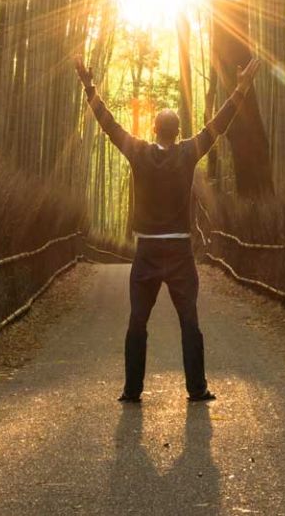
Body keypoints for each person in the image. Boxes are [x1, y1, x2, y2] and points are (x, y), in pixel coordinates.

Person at [74, 53, 262, 403]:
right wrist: (240, 90)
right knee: (189, 321)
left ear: (154, 130)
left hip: (146, 252)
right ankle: (197, 388)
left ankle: (132, 390)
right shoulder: (188, 152)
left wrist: (90, 87)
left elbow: (109, 124)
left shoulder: (139, 152)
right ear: (177, 133)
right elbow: (218, 125)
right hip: (179, 252)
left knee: (137, 322)